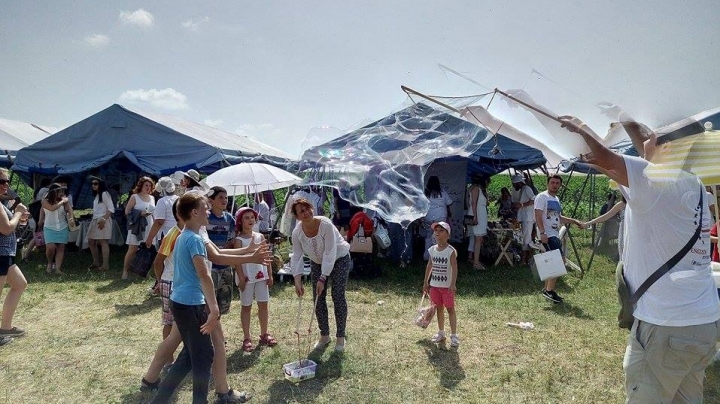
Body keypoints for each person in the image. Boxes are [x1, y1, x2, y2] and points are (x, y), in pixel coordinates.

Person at [559, 115, 720, 403]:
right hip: (703, 321)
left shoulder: (657, 182)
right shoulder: (692, 185)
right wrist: (631, 125)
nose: (643, 142)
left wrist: (581, 128)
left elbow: (606, 160)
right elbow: (649, 157)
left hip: (667, 325)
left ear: (667, 150)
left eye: (650, 139)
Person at [150, 193, 252, 404]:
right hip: (191, 305)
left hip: (181, 303)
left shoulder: (184, 236)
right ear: (194, 212)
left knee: (190, 356)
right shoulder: (194, 239)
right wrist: (213, 309)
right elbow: (203, 274)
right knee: (204, 357)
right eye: (205, 207)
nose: (208, 211)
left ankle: (159, 400)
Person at [291, 197, 351, 352]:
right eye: (301, 211)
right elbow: (296, 256)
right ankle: (324, 335)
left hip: (339, 258)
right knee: (318, 298)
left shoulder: (325, 225)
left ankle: (340, 337)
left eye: (308, 208)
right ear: (297, 217)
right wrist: (297, 279)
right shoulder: (297, 232)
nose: (306, 213)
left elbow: (330, 252)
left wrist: (323, 277)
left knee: (337, 295)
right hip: (316, 261)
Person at [534, 175, 582, 303]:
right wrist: (542, 232)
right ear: (547, 183)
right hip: (547, 234)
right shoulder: (541, 197)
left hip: (554, 233)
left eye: (557, 183)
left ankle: (546, 289)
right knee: (559, 261)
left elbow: (558, 217)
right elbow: (538, 215)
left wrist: (573, 221)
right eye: (552, 182)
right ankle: (549, 291)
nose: (555, 185)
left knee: (551, 261)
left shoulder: (556, 199)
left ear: (560, 185)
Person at [233, 207, 276, 352]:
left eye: (252, 217)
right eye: (246, 218)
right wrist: (241, 278)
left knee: (263, 304)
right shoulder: (238, 240)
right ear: (240, 221)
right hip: (247, 277)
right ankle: (247, 337)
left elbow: (266, 256)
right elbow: (237, 261)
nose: (250, 220)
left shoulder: (260, 237)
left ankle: (264, 333)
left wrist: (269, 274)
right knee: (246, 306)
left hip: (261, 275)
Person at [0, 168, 29, 340]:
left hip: (5, 253)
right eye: (1, 182)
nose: (5, 185)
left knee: (19, 284)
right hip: (1, 254)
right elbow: (5, 228)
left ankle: (5, 327)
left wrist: (18, 218)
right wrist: (18, 213)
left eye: (7, 182)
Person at [422, 222, 459, 347]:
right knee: (438, 309)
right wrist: (426, 282)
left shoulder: (450, 251)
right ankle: (441, 332)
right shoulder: (432, 250)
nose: (437, 232)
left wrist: (452, 284)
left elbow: (454, 267)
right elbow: (429, 266)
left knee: (450, 309)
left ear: (447, 234)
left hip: (447, 287)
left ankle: (454, 335)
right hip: (435, 286)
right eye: (436, 230)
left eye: (441, 230)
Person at [122, 176, 155, 280]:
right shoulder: (134, 197)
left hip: (149, 224)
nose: (148, 187)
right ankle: (125, 271)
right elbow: (127, 211)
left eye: (150, 185)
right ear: (141, 185)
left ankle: (144, 270)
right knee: (132, 249)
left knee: (149, 249)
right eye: (146, 185)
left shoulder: (152, 198)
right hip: (137, 226)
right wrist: (140, 213)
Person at [41, 183, 74, 275]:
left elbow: (70, 210)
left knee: (61, 248)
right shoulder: (45, 200)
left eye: (61, 191)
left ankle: (58, 269)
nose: (61, 193)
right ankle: (50, 262)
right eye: (59, 191)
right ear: (53, 192)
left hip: (62, 226)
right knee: (50, 247)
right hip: (49, 227)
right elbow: (52, 208)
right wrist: (62, 202)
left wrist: (71, 218)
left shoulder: (64, 201)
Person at [87, 177, 115, 271]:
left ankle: (105, 265)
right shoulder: (97, 195)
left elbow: (111, 208)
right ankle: (96, 262)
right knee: (91, 241)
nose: (93, 185)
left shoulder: (104, 193)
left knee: (103, 242)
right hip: (95, 219)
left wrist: (104, 219)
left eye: (96, 183)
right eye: (92, 184)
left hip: (103, 219)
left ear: (100, 184)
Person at [422, 175, 452, 260]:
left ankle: (427, 256)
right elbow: (449, 203)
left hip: (428, 217)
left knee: (428, 236)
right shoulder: (442, 192)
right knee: (440, 236)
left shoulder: (425, 193)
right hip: (440, 216)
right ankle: (438, 256)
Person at [144, 177, 179, 249]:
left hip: (167, 234)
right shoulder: (180, 199)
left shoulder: (162, 201)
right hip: (179, 232)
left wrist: (150, 238)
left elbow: (159, 222)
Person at [511, 174, 536, 266]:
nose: (514, 186)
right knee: (525, 238)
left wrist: (522, 205)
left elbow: (534, 200)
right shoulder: (523, 190)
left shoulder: (527, 189)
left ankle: (525, 260)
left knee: (526, 239)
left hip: (528, 218)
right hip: (525, 217)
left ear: (518, 183)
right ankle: (525, 259)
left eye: (514, 184)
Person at [466, 176, 489, 271]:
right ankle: (476, 262)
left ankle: (476, 260)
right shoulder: (475, 188)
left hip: (480, 214)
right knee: (478, 238)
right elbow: (473, 203)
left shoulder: (478, 188)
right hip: (478, 214)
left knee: (478, 238)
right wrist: (475, 216)